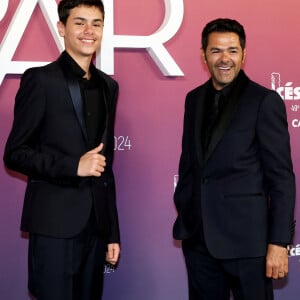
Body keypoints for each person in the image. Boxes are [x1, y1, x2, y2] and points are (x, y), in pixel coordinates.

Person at [3, 0, 120, 299]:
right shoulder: (40, 80)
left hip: (95, 227)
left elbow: (106, 166)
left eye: (96, 23)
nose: (88, 31)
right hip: (53, 225)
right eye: (79, 22)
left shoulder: (109, 86)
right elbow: (15, 152)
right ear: (61, 28)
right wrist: (72, 166)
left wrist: (111, 231)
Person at [173, 18, 295, 300]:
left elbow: (281, 178)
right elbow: (189, 164)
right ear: (203, 55)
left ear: (244, 54)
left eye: (232, 50)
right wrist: (186, 209)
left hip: (249, 245)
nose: (224, 58)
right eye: (216, 51)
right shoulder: (194, 99)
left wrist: (279, 242)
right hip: (199, 240)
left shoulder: (263, 101)